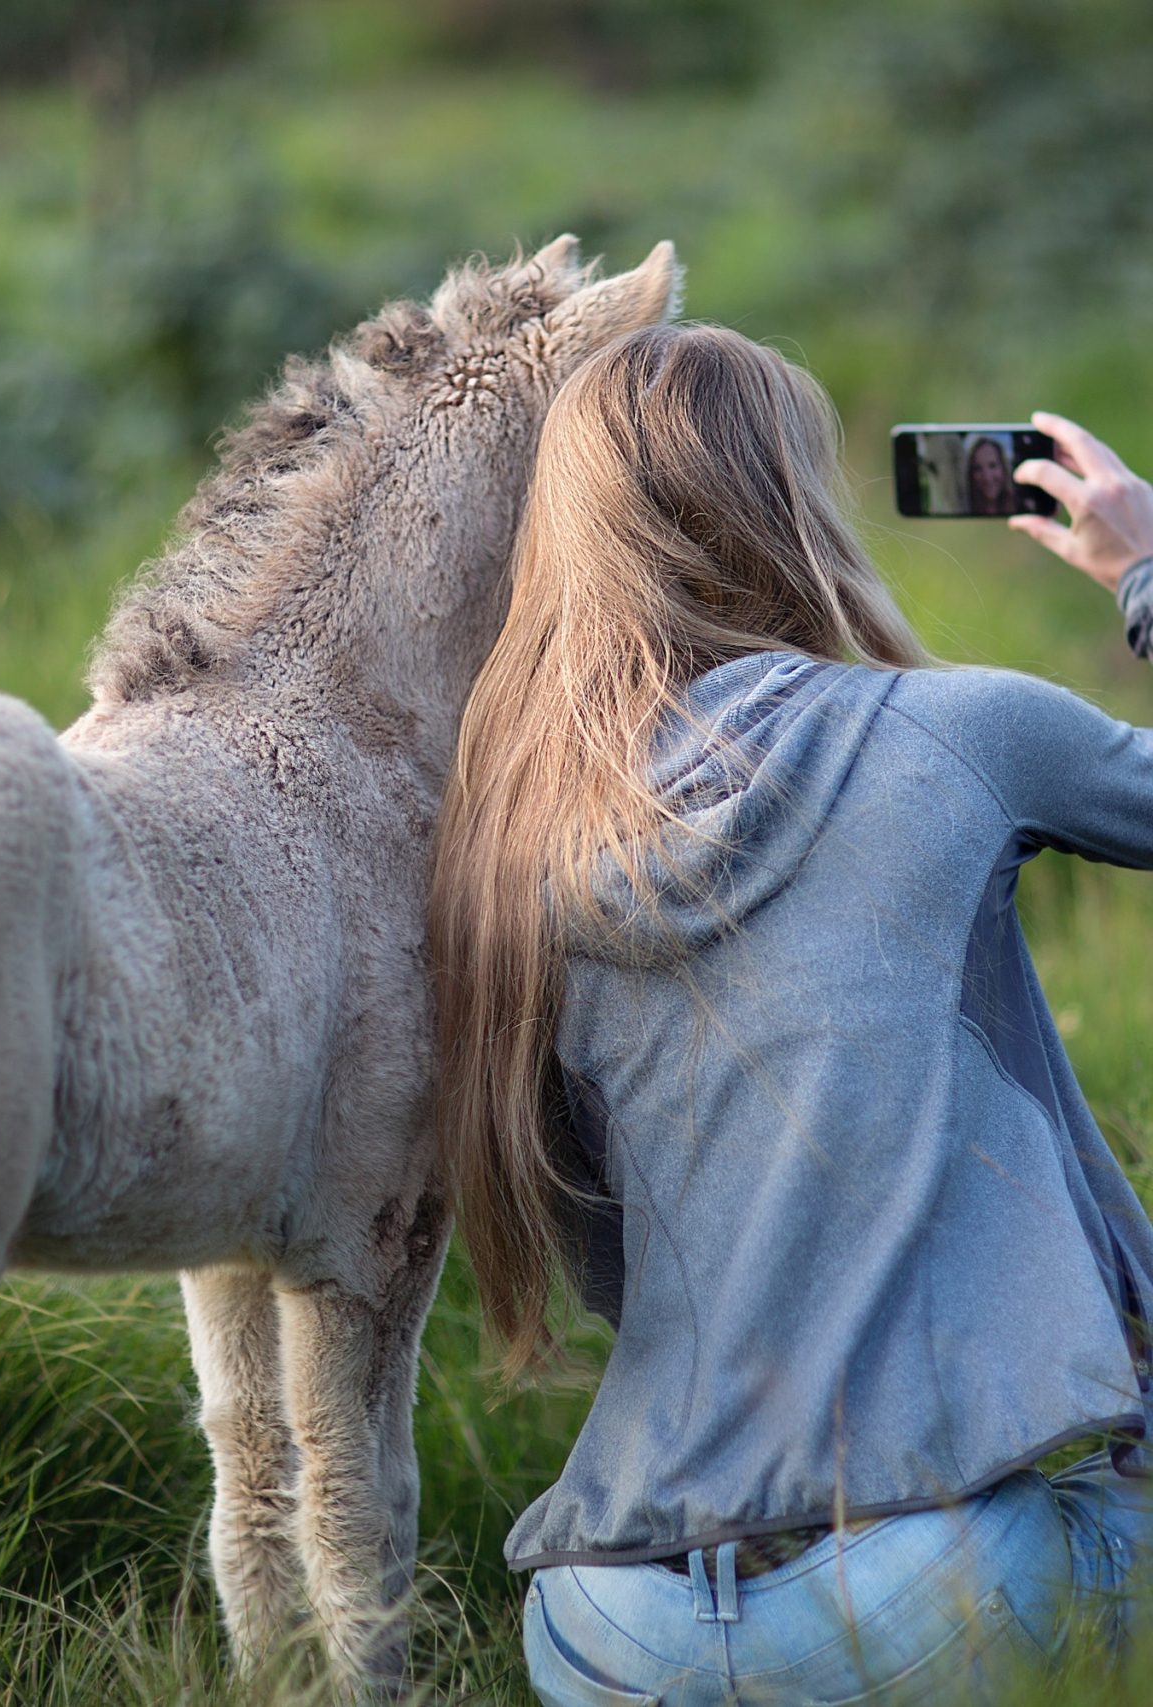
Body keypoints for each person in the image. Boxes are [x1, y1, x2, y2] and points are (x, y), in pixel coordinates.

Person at [429, 329, 1153, 1707]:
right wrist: (1142, 569)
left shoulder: (516, 846)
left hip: (603, 1622)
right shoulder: (957, 732)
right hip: (929, 1593)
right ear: (787, 504)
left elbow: (607, 1263)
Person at [967, 434, 1018, 515]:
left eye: (992, 466)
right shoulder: (966, 509)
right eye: (978, 468)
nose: (987, 478)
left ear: (1004, 468)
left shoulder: (1021, 506)